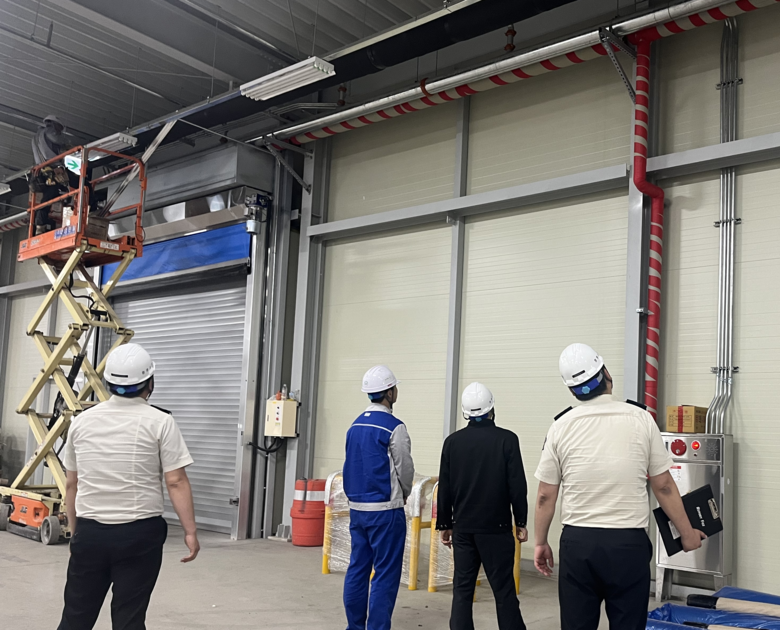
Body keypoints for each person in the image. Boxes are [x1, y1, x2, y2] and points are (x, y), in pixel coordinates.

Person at [534, 343, 706, 630]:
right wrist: (687, 534)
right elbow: (663, 486)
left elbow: (545, 495)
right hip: (628, 545)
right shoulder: (641, 418)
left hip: (578, 545)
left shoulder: (560, 426)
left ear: (572, 391)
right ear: (607, 375)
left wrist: (540, 542)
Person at [59, 343, 200, 630]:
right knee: (129, 619)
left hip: (90, 533)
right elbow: (175, 481)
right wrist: (190, 532)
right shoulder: (161, 422)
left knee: (76, 617)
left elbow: (72, 483)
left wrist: (76, 533)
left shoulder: (81, 422)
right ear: (150, 382)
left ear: (108, 382)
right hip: (139, 535)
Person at [437, 382, 528, 630]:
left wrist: (444, 524)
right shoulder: (507, 440)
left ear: (465, 413)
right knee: (504, 589)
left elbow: (445, 486)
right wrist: (520, 521)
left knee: (462, 589)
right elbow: (517, 485)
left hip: (463, 528)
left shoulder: (452, 442)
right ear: (492, 409)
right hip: (496, 529)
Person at [342, 365, 415, 630]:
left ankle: (354, 627)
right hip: (385, 511)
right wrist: (404, 493)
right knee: (385, 573)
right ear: (390, 392)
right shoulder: (394, 427)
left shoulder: (354, 426)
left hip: (357, 510)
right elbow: (405, 468)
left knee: (358, 568)